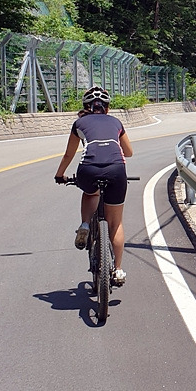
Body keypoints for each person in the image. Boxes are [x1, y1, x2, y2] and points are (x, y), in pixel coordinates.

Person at [54, 86, 134, 286]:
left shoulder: (79, 123)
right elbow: (129, 152)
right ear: (107, 108)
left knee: (90, 192)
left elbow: (68, 154)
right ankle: (118, 270)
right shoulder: (116, 122)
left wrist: (60, 175)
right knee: (116, 224)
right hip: (116, 170)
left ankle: (85, 225)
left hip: (88, 169)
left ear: (86, 107)